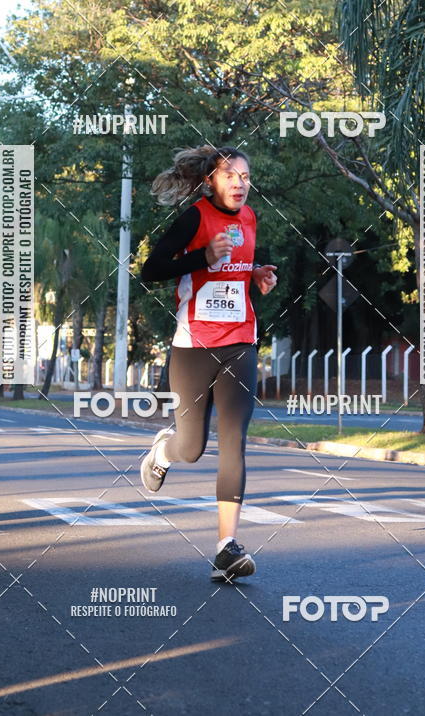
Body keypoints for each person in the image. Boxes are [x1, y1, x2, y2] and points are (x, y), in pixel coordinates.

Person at [139, 144, 277, 581]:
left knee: (233, 440)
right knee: (192, 448)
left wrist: (255, 275)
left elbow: (238, 268)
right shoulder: (194, 218)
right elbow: (152, 269)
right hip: (193, 346)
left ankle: (226, 548)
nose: (240, 182)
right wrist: (203, 257)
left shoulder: (251, 218)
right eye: (230, 174)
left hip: (240, 341)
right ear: (210, 181)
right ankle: (164, 449)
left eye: (245, 176)